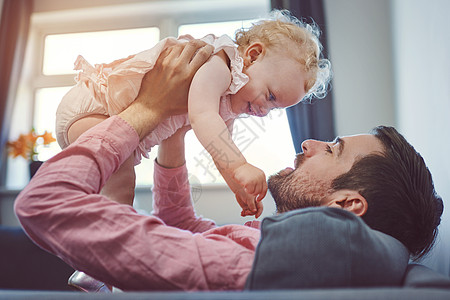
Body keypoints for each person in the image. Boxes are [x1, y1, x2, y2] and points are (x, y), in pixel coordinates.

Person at [14, 36, 442, 292]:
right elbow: (177, 223)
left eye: (332, 149)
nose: (309, 141)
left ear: (349, 206)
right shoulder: (264, 239)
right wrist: (174, 131)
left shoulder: (270, 260)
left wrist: (146, 109)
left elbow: (44, 202)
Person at [55, 9, 332, 217]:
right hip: (94, 109)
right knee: (120, 191)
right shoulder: (219, 64)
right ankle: (97, 263)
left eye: (274, 108)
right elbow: (203, 117)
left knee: (117, 194)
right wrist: (240, 166)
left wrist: (239, 187)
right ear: (253, 55)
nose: (264, 109)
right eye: (270, 96)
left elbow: (221, 146)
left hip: (116, 125)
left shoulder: (231, 102)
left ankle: (95, 264)